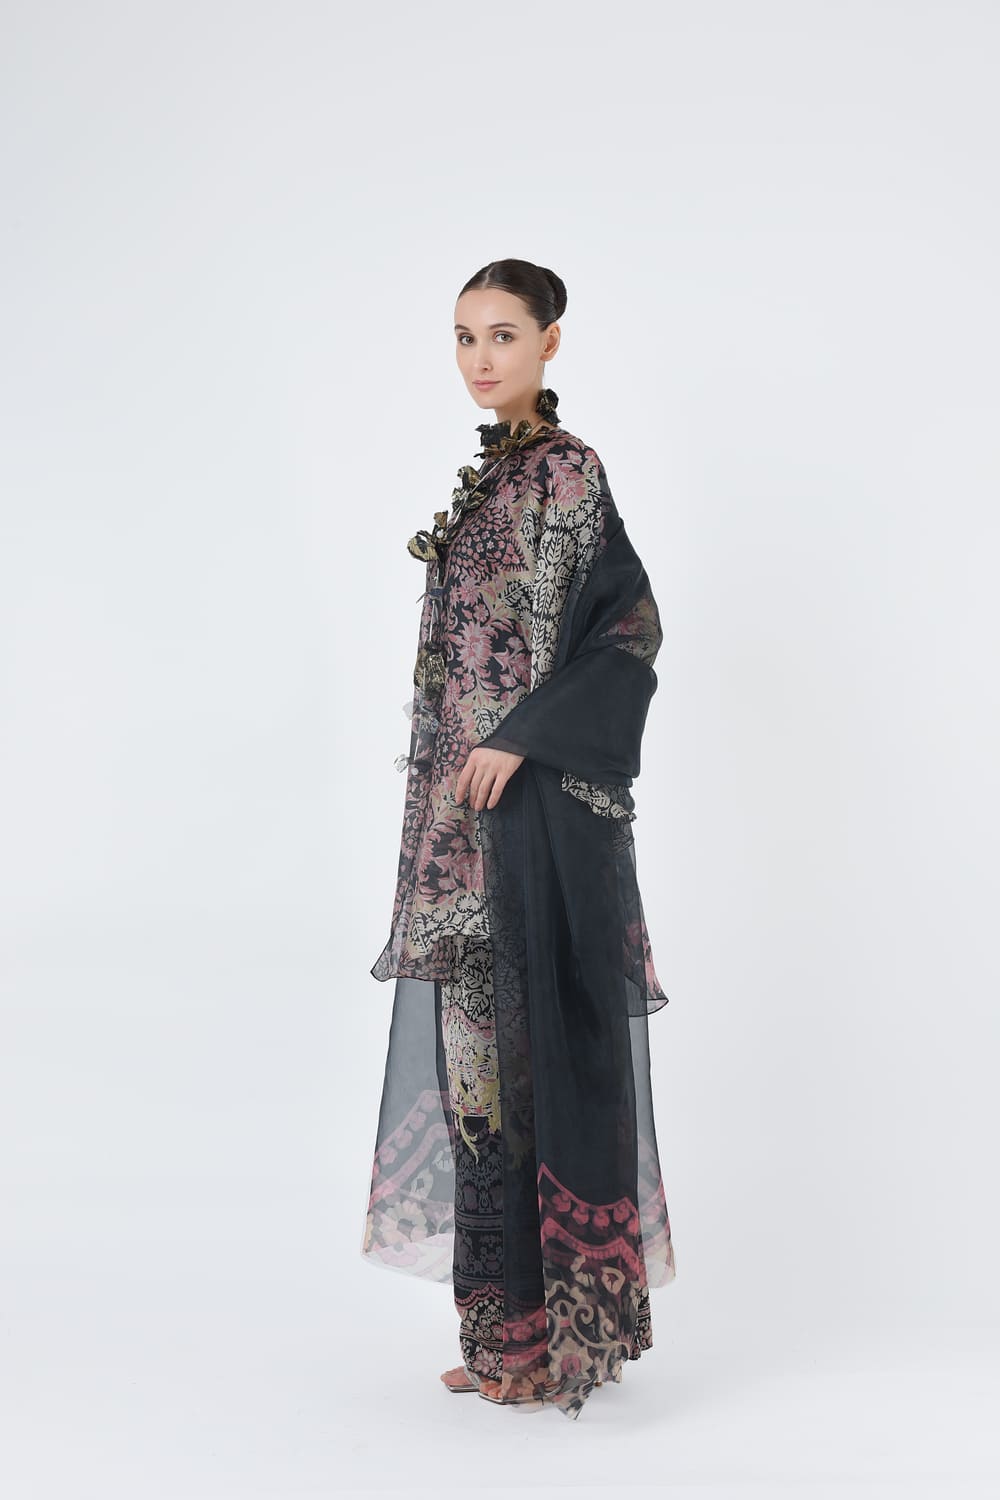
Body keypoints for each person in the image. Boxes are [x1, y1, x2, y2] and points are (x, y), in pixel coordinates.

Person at [360, 258, 676, 1419]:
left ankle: (556, 1344)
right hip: (461, 837)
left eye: (502, 334)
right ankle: (502, 1334)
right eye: (463, 336)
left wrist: (524, 738)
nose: (480, 357)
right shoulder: (492, 477)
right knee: (475, 1086)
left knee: (533, 1063)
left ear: (550, 341)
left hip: (534, 824)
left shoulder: (565, 473)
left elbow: (626, 633)